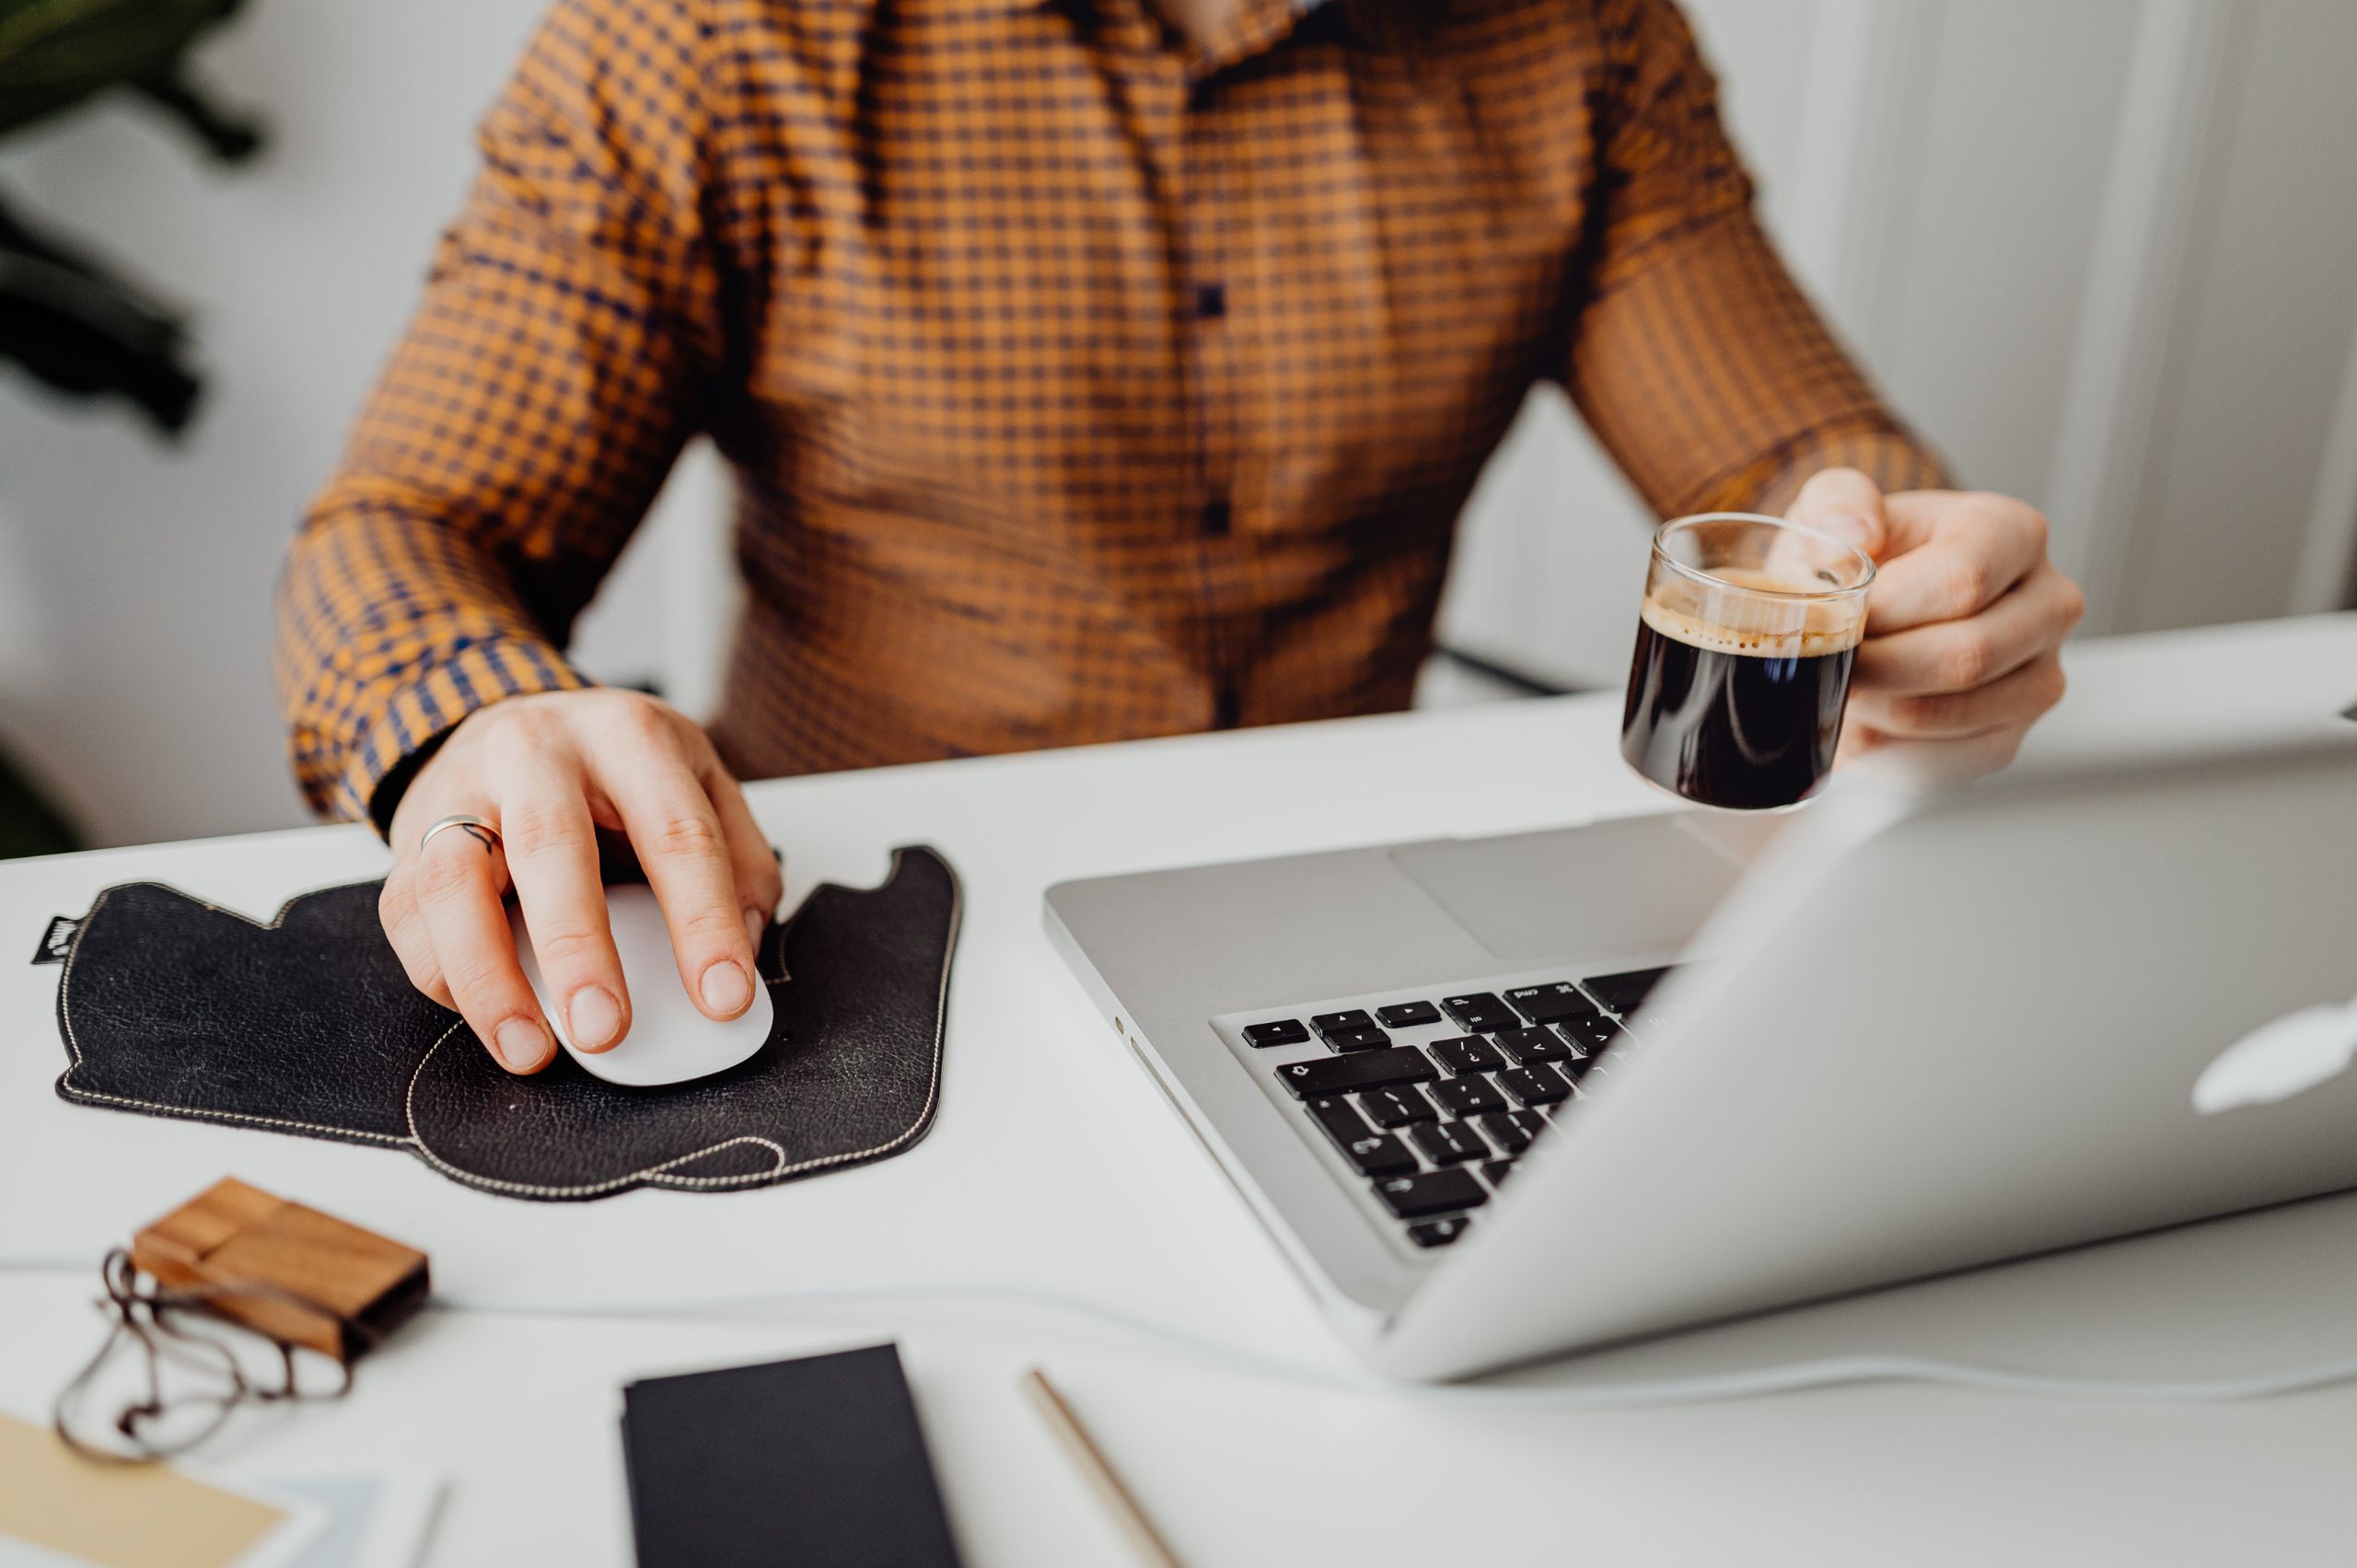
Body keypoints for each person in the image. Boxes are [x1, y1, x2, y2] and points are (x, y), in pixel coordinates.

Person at [275, 0, 2084, 1075]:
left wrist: (1899, 564)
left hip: (1358, 955)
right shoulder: (713, 39)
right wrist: (472, 721)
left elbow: (1782, 448)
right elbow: (413, 529)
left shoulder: (1577, 32)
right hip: (854, 963)